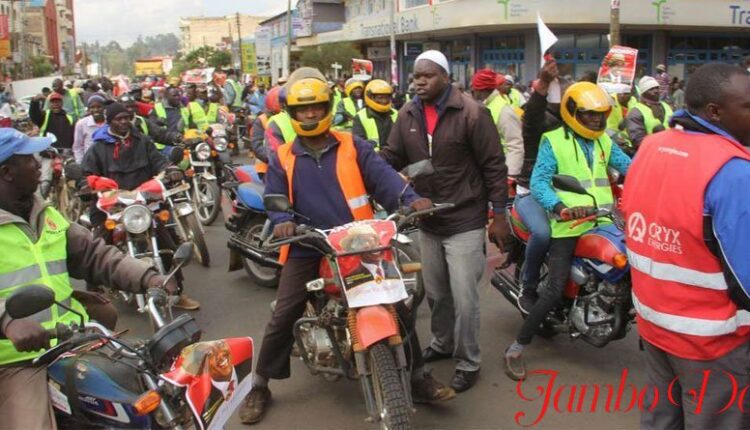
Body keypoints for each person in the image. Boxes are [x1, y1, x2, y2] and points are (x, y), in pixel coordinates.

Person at [239, 73, 455, 425]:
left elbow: (385, 179)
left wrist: (411, 200)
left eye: (316, 108)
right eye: (303, 110)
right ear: (293, 113)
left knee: (395, 300)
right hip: (307, 244)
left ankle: (416, 378)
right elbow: (275, 198)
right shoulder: (283, 156)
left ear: (327, 108)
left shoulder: (353, 146)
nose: (310, 115)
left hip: (357, 240)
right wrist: (281, 219)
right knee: (284, 314)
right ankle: (260, 385)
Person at [0, 128, 178, 429]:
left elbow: (96, 255)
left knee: (148, 383)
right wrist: (8, 321)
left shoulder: (46, 214)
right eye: (29, 159)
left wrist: (149, 277)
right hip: (16, 361)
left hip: (75, 340)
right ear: (7, 172)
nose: (37, 164)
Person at [622, 63, 750, 429]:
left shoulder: (651, 146)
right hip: (712, 343)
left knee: (662, 419)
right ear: (715, 112)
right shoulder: (734, 170)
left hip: (654, 325)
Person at [382, 50, 510, 393]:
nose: (419, 81)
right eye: (415, 76)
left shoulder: (472, 112)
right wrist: (365, 160)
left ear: (445, 77)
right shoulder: (407, 113)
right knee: (436, 294)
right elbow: (392, 155)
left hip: (465, 217)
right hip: (427, 219)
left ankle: (469, 361)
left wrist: (500, 214)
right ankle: (442, 343)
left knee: (465, 297)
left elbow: (494, 166)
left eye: (427, 75)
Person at [504, 82, 631, 380]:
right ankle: (515, 349)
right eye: (590, 115)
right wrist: (560, 207)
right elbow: (539, 183)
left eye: (601, 115)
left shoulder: (603, 142)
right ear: (573, 112)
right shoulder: (553, 140)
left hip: (602, 221)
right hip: (568, 224)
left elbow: (632, 167)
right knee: (553, 289)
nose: (597, 121)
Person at [82, 103, 200, 311]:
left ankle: (178, 291)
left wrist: (171, 169)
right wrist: (86, 185)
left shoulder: (142, 141)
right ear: (109, 121)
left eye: (127, 117)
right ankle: (93, 296)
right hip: (113, 207)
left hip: (143, 202)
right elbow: (86, 173)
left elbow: (159, 162)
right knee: (97, 247)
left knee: (168, 243)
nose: (124, 122)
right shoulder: (98, 148)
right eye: (119, 119)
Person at [514, 59, 569, 314]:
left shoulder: (576, 129)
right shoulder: (536, 125)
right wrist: (544, 82)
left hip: (566, 195)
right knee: (544, 233)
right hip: (530, 192)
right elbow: (533, 116)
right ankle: (528, 285)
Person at [470, 69, 524, 179]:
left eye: (473, 91)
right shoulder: (482, 105)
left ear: (481, 90)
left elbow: (515, 144)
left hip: (499, 170)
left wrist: (509, 176)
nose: (471, 94)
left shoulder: (504, 110)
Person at [625, 76, 673, 149]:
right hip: (650, 153)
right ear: (643, 93)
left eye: (657, 87)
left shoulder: (666, 106)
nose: (656, 91)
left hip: (670, 151)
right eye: (651, 89)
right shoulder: (636, 112)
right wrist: (656, 139)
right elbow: (638, 141)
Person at [351, 79, 398, 150]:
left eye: (386, 97)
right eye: (380, 98)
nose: (384, 101)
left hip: (395, 157)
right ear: (370, 97)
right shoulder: (360, 116)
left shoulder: (396, 113)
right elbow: (359, 144)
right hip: (372, 158)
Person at [249, 86, 282, 176]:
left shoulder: (294, 119)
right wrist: (275, 160)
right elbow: (258, 146)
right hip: (267, 168)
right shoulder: (262, 120)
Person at [72, 95, 107, 163]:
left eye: (99, 107)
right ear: (88, 109)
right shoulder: (81, 124)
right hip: (89, 162)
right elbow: (78, 146)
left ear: (104, 107)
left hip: (107, 161)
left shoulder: (110, 122)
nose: (96, 110)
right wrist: (80, 163)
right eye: (92, 107)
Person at [606, 90, 637, 155]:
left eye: (626, 93)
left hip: (627, 137)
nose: (622, 95)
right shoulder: (612, 99)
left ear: (631, 94)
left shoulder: (633, 101)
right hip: (611, 133)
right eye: (620, 93)